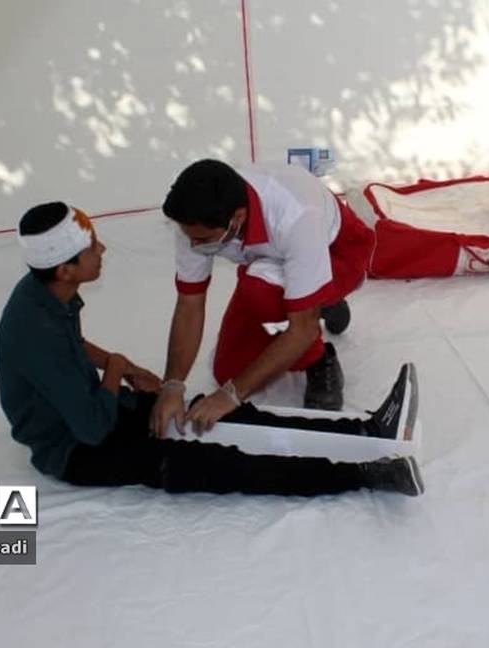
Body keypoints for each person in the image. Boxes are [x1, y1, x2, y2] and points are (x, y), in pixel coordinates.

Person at [0, 201, 422, 497]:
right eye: (91, 248)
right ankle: (368, 474)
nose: (102, 249)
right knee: (216, 464)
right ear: (65, 270)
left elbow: (74, 347)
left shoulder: (41, 292)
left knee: (216, 416)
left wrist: (126, 370)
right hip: (78, 449)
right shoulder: (35, 334)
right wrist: (118, 367)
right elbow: (91, 428)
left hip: (102, 410)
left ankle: (368, 432)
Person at [154, 159, 375, 440]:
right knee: (228, 371)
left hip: (338, 256)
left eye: (204, 239)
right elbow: (189, 304)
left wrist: (231, 396)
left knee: (262, 292)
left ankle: (319, 356)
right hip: (270, 264)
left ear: (237, 217)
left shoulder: (296, 214)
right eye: (190, 238)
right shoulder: (196, 223)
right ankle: (314, 301)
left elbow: (302, 330)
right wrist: (172, 385)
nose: (194, 245)